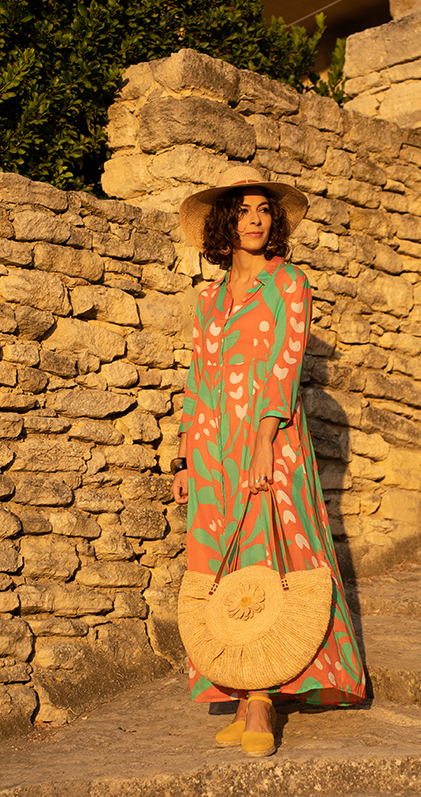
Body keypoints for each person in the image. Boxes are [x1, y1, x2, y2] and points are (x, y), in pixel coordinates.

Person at [171, 165, 366, 758]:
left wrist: (263, 441)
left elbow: (285, 363)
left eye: (263, 209)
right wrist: (184, 459)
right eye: (243, 210)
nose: (254, 219)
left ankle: (262, 701)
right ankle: (237, 686)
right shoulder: (208, 299)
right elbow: (198, 378)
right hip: (212, 449)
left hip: (269, 440)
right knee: (219, 563)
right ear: (224, 223)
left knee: (267, 555)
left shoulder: (289, 284)